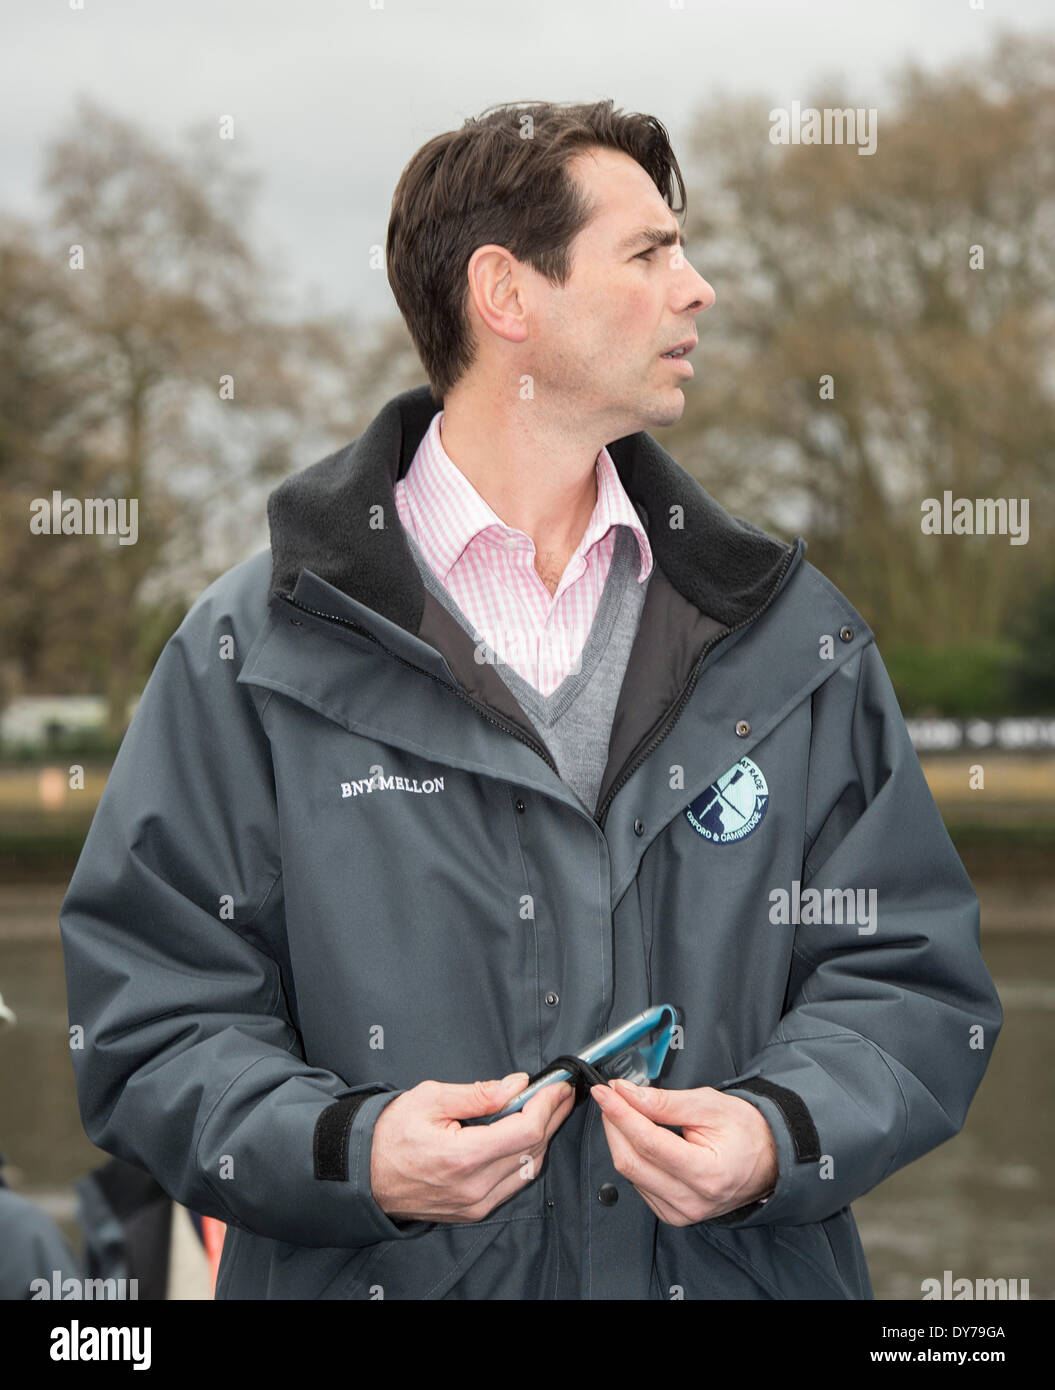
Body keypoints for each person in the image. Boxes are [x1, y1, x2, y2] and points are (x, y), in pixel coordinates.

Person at [59, 99, 1002, 1300]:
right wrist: (348, 1150)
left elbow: (911, 975)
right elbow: (149, 1022)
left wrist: (780, 1130)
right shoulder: (246, 654)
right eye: (650, 252)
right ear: (505, 296)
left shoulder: (791, 634)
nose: (697, 287)